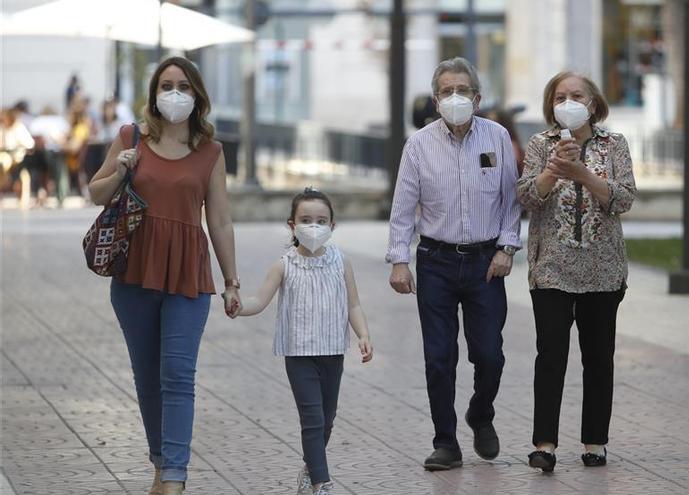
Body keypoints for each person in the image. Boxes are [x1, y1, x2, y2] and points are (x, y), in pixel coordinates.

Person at [87, 56, 240, 495]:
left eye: (184, 86)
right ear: (154, 92)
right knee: (147, 376)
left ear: (197, 96)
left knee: (177, 373)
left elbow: (222, 222)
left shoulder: (210, 151)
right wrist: (121, 169)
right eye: (167, 85)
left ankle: (173, 476)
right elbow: (96, 193)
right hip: (134, 271)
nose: (175, 93)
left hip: (188, 274)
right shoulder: (131, 137)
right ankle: (162, 462)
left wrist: (231, 281)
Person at [386, 56, 522, 471]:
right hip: (436, 262)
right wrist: (398, 260)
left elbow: (511, 200)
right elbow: (403, 208)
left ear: (477, 97)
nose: (455, 97)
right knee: (438, 357)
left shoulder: (497, 138)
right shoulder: (419, 145)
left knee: (490, 355)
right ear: (435, 99)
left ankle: (481, 414)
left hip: (485, 263)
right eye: (447, 91)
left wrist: (507, 248)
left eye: (463, 90)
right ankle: (445, 442)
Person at [516, 71, 636, 472]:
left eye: (576, 95)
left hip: (603, 271)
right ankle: (544, 444)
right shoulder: (539, 144)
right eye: (560, 96)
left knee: (599, 357)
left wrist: (585, 174)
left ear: (593, 102)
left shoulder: (613, 144)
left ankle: (594, 442)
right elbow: (528, 196)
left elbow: (624, 199)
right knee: (550, 355)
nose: (568, 102)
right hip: (551, 268)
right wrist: (553, 169)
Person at [230, 188, 373, 495]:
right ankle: (322, 482)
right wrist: (239, 307)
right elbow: (260, 300)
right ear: (291, 225)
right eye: (306, 219)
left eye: (322, 220)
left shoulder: (340, 262)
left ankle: (310, 470)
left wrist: (363, 334)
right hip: (298, 354)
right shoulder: (284, 265)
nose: (314, 226)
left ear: (332, 226)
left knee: (327, 420)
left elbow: (353, 305)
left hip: (333, 351)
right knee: (312, 418)